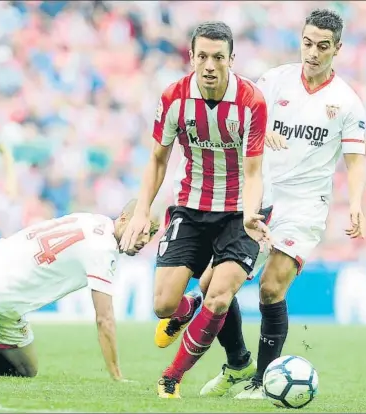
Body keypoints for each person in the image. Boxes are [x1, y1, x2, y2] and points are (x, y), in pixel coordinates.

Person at [197, 8, 366, 398]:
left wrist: (356, 202)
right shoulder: (274, 81)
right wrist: (265, 127)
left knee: (271, 287)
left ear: (337, 48)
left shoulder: (347, 102)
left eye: (323, 47)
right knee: (211, 286)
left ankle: (262, 380)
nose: (313, 53)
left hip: (306, 207)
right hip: (263, 198)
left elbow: (355, 161)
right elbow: (239, 113)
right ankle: (238, 364)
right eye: (308, 43)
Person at [119, 21, 272, 398]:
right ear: (191, 56)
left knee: (220, 294)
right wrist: (141, 212)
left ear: (231, 59)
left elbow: (253, 172)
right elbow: (157, 159)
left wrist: (252, 214)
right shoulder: (174, 97)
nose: (209, 65)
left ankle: (171, 377)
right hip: (191, 205)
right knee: (162, 305)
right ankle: (188, 306)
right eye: (202, 56)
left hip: (240, 210)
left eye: (218, 57)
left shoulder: (251, 100)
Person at [0, 199, 158, 379]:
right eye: (142, 231)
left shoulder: (93, 220)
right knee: (25, 370)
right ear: (124, 218)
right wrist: (117, 375)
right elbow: (105, 319)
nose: (145, 240)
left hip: (0, 257)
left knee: (27, 369)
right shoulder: (104, 249)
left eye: (151, 233)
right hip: (4, 297)